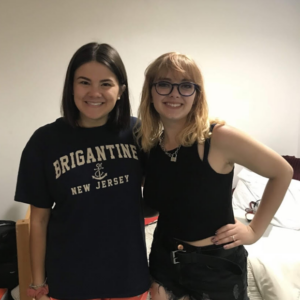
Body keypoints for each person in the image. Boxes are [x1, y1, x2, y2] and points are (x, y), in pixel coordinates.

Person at [137, 52, 293, 300]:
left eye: (186, 86)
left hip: (215, 268)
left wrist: (254, 231)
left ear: (197, 94)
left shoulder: (217, 138)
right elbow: (154, 206)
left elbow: (283, 171)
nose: (174, 93)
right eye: (164, 84)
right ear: (151, 92)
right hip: (163, 261)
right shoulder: (151, 147)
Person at [15, 43, 150, 300]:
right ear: (71, 87)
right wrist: (36, 283)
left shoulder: (140, 134)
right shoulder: (44, 142)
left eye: (106, 84)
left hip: (128, 277)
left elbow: (164, 191)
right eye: (84, 82)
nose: (94, 93)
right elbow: (39, 219)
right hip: (68, 280)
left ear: (121, 90)